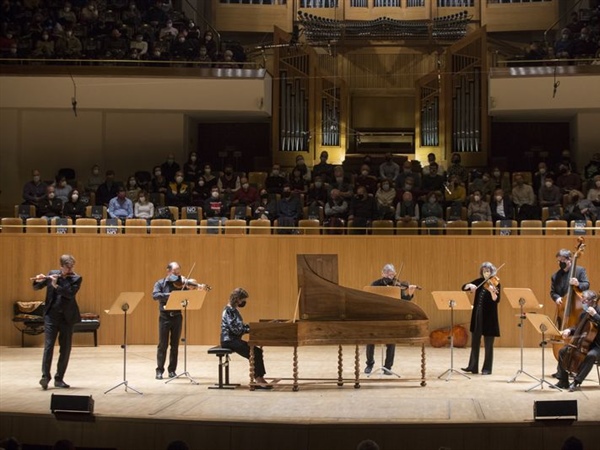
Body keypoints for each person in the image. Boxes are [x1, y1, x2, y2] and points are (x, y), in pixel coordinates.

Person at [33, 254, 82, 390]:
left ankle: (59, 378)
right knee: (48, 346)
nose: (70, 269)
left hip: (67, 318)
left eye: (72, 266)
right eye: (67, 267)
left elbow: (69, 293)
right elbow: (37, 288)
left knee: (65, 349)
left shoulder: (76, 278)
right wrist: (38, 280)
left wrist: (56, 285)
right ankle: (45, 377)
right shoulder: (52, 274)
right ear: (61, 266)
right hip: (51, 316)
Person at [152, 262, 207, 379]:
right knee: (162, 345)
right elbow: (155, 295)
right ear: (168, 271)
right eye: (175, 272)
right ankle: (159, 370)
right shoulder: (160, 283)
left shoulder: (181, 284)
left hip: (177, 316)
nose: (177, 276)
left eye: (179, 273)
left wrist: (199, 288)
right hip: (164, 317)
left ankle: (172, 370)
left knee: (175, 345)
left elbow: (190, 293)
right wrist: (171, 295)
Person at [364, 264, 418, 375]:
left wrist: (410, 294)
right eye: (388, 274)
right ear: (382, 273)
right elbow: (368, 300)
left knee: (391, 342)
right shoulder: (375, 285)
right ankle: (369, 364)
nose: (390, 277)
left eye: (392, 274)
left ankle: (387, 367)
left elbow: (404, 301)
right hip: (376, 316)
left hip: (391, 315)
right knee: (370, 340)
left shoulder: (397, 286)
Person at [220, 287, 271, 388]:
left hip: (233, 339)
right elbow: (236, 329)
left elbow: (240, 326)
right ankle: (258, 379)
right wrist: (250, 329)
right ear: (238, 299)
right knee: (255, 352)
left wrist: (253, 327)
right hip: (229, 340)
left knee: (257, 351)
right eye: (243, 300)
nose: (244, 302)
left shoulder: (233, 310)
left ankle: (260, 377)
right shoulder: (229, 311)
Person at [555, 290, 599, 392]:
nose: (584, 303)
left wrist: (596, 315)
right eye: (582, 301)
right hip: (585, 343)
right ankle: (563, 381)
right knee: (563, 351)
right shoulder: (584, 313)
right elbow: (578, 327)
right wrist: (569, 330)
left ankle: (577, 382)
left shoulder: (598, 311)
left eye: (586, 301)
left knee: (591, 355)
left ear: (594, 301)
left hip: (598, 346)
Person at [461, 262, 501, 375]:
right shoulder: (479, 282)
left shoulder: (496, 283)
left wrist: (492, 292)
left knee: (488, 345)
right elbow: (463, 287)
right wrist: (469, 286)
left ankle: (487, 369)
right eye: (484, 271)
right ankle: (473, 366)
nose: (486, 273)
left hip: (489, 318)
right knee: (475, 341)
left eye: (488, 271)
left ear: (492, 272)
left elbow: (496, 300)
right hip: (478, 315)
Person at [550, 249, 590, 329]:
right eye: (558, 261)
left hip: (577, 308)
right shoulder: (555, 276)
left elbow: (586, 284)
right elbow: (553, 292)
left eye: (563, 260)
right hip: (563, 309)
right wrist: (557, 298)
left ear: (570, 259)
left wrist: (578, 283)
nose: (560, 263)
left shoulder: (580, 271)